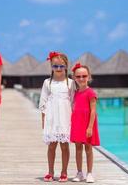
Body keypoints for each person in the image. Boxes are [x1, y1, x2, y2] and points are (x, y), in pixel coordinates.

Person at [39, 51, 75, 182]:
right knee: (52, 145)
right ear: (51, 67)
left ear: (66, 66)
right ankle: (50, 171)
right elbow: (43, 102)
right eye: (55, 66)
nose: (58, 69)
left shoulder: (70, 83)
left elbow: (73, 102)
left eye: (61, 66)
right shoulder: (47, 82)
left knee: (65, 145)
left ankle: (64, 172)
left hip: (65, 118)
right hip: (52, 118)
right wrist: (44, 121)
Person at [70, 62, 100, 183]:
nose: (81, 78)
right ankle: (79, 172)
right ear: (74, 78)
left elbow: (93, 111)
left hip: (88, 123)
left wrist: (90, 127)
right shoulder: (75, 92)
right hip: (77, 123)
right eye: (78, 76)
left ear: (89, 77)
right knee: (78, 148)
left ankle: (89, 173)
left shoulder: (90, 92)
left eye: (84, 76)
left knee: (88, 148)